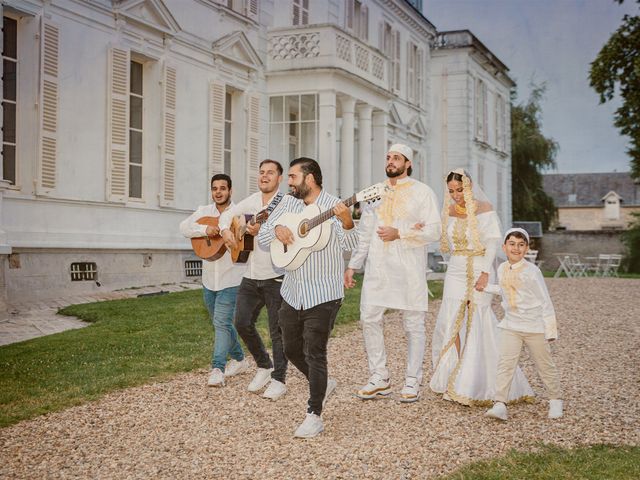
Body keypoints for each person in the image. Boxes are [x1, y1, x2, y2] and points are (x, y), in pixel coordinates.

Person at [258, 157, 358, 438]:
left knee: (315, 353)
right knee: (290, 350)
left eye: (292, 177)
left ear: (309, 178)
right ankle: (323, 384)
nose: (288, 182)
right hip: (291, 290)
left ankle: (314, 414)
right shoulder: (288, 203)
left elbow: (350, 244)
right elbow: (265, 235)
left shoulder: (334, 205)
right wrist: (277, 229)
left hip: (323, 292)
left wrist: (347, 221)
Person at [344, 144, 441, 403]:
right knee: (368, 317)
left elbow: (434, 231)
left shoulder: (423, 192)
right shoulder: (375, 193)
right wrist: (354, 264)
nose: (391, 161)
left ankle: (412, 380)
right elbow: (365, 231)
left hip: (409, 269)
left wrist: (401, 233)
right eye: (388, 157)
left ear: (408, 163)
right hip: (378, 268)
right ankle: (380, 377)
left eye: (396, 157)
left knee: (413, 324)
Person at [429, 168, 534, 405]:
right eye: (451, 191)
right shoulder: (449, 211)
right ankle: (450, 377)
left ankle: (477, 382)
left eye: (459, 189)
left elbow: (493, 242)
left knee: (478, 319)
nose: (455, 195)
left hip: (479, 266)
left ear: (469, 187)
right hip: (456, 269)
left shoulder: (484, 209)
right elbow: (438, 234)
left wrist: (486, 272)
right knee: (451, 320)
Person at [218, 160, 288, 400]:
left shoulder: (288, 203)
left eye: (270, 173)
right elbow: (227, 213)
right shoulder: (251, 201)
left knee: (277, 330)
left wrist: (266, 231)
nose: (264, 176)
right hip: (250, 275)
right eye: (261, 172)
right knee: (241, 322)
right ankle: (264, 365)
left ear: (280, 177)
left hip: (276, 275)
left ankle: (279, 379)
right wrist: (227, 230)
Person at [480, 228, 563, 420]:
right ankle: (500, 403)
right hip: (511, 325)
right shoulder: (501, 269)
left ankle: (555, 400)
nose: (516, 248)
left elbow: (545, 301)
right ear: (504, 247)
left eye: (521, 245)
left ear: (526, 248)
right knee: (505, 364)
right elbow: (504, 290)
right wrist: (486, 288)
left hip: (534, 327)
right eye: (512, 244)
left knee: (544, 365)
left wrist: (550, 330)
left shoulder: (532, 272)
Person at [180, 174, 248, 387]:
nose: (218, 192)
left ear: (230, 190)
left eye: (223, 188)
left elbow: (246, 244)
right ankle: (239, 359)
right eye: (215, 188)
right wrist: (204, 229)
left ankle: (217, 368)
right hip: (209, 279)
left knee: (220, 322)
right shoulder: (203, 212)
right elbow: (184, 228)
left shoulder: (239, 214)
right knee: (222, 323)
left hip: (232, 279)